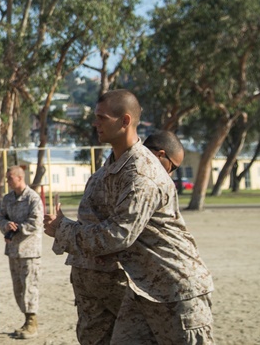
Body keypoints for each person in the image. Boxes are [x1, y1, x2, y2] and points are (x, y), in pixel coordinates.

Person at [44, 90, 215, 344]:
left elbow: (117, 235)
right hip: (142, 290)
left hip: (176, 290)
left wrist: (63, 229)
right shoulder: (113, 166)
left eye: (102, 117)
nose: (95, 123)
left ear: (125, 121)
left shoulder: (142, 174)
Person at [61, 128, 188, 345]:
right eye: (173, 167)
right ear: (160, 155)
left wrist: (64, 230)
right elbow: (119, 234)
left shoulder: (101, 174)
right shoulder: (141, 178)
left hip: (85, 271)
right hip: (120, 274)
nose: (171, 174)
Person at [0, 165, 43, 340]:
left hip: (29, 251)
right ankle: (26, 320)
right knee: (19, 288)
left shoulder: (32, 198)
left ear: (19, 178)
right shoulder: (8, 198)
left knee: (30, 286)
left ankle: (32, 322)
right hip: (13, 251)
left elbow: (36, 222)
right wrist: (5, 226)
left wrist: (17, 228)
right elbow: (0, 217)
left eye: (9, 178)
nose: (7, 181)